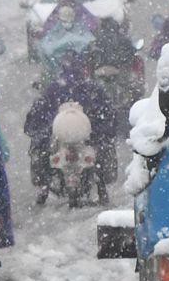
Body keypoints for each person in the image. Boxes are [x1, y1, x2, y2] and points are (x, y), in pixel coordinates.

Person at [25, 52, 115, 205]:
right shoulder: (92, 88)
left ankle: (43, 190)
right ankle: (101, 189)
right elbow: (107, 113)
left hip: (58, 137)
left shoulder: (53, 88)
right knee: (101, 155)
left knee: (42, 156)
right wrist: (101, 131)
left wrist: (41, 131)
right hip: (88, 136)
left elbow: (38, 114)